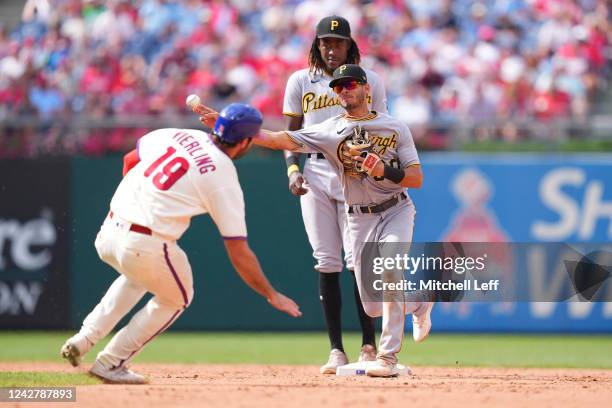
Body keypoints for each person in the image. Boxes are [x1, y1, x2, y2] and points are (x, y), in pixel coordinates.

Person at [195, 65, 433, 377]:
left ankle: (386, 359)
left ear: (366, 89)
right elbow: (279, 139)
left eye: (350, 84)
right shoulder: (330, 131)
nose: (344, 90)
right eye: (338, 87)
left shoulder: (394, 128)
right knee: (373, 305)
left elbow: (416, 178)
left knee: (389, 271)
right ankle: (418, 302)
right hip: (359, 217)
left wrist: (385, 170)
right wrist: (230, 127)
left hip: (395, 209)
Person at [60, 103, 302, 384]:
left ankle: (83, 339)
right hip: (143, 241)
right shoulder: (222, 174)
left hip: (109, 230)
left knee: (138, 278)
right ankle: (111, 362)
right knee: (178, 297)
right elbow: (238, 250)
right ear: (246, 141)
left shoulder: (178, 134)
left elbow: (129, 159)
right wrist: (271, 293)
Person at [282, 15, 387, 374]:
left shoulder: (369, 80)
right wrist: (292, 169)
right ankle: (336, 350)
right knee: (326, 260)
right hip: (315, 171)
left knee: (359, 260)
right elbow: (290, 134)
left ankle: (369, 344)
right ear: (316, 44)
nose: (331, 48)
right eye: (325, 42)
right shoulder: (300, 80)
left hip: (354, 174)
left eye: (338, 42)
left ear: (350, 45)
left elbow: (382, 128)